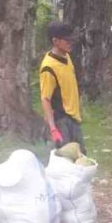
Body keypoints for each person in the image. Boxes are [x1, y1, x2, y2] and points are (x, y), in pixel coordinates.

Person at [39, 21, 85, 153]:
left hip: (74, 119)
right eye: (67, 41)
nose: (70, 43)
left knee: (81, 157)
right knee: (66, 161)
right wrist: (53, 129)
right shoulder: (48, 67)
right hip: (61, 121)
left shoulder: (66, 57)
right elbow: (45, 99)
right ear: (56, 41)